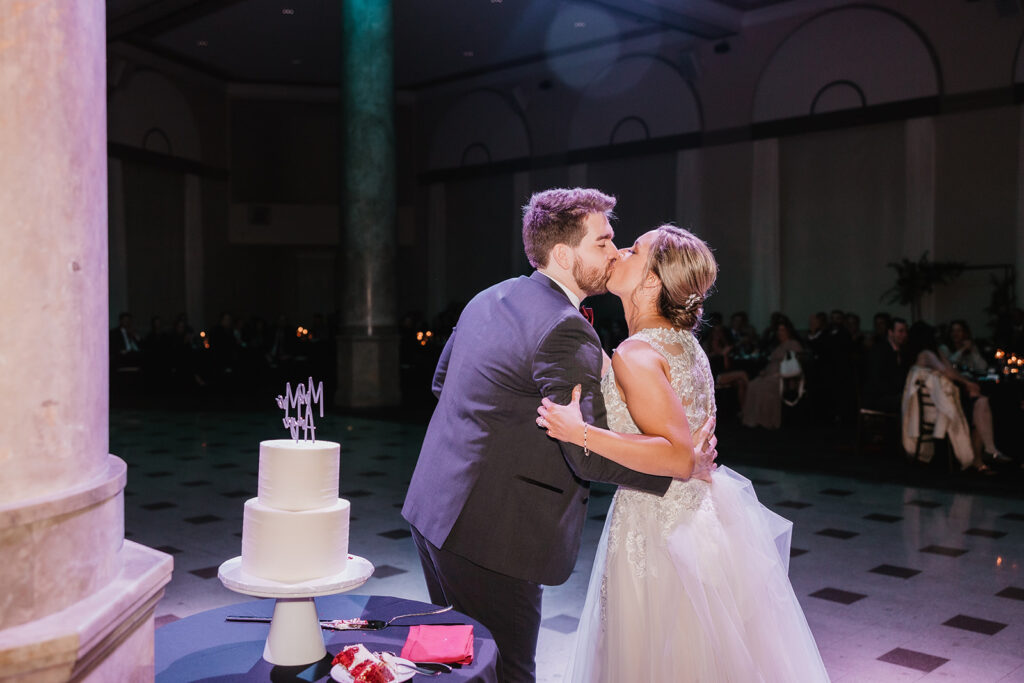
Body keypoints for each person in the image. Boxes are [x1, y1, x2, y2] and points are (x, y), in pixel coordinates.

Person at [401, 189, 717, 683]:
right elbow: (585, 455)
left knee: (459, 662)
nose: (615, 252)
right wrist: (682, 466)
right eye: (604, 242)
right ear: (566, 255)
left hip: (433, 509)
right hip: (492, 533)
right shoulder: (566, 329)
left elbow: (442, 383)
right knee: (506, 670)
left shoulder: (492, 295)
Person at [537, 226, 827, 682]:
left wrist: (581, 434)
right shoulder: (685, 345)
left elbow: (677, 457)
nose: (620, 253)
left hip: (657, 528)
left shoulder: (636, 353)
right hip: (701, 520)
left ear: (651, 281)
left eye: (633, 250)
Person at [903, 321, 1003, 470]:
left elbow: (950, 368)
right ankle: (984, 453)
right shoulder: (926, 354)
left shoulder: (931, 353)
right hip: (939, 406)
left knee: (981, 403)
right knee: (981, 405)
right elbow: (947, 371)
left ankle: (985, 453)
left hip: (940, 402)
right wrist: (967, 384)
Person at [741, 317, 804, 429]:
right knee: (753, 385)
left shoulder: (793, 344)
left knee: (763, 387)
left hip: (782, 376)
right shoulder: (777, 346)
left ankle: (766, 420)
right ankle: (752, 419)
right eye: (779, 330)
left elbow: (795, 363)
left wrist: (780, 373)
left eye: (783, 330)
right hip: (770, 374)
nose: (780, 333)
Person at [863, 316, 909, 412]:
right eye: (900, 331)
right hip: (878, 398)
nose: (904, 335)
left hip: (892, 395)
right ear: (890, 332)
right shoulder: (879, 351)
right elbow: (876, 381)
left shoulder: (903, 352)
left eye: (905, 331)